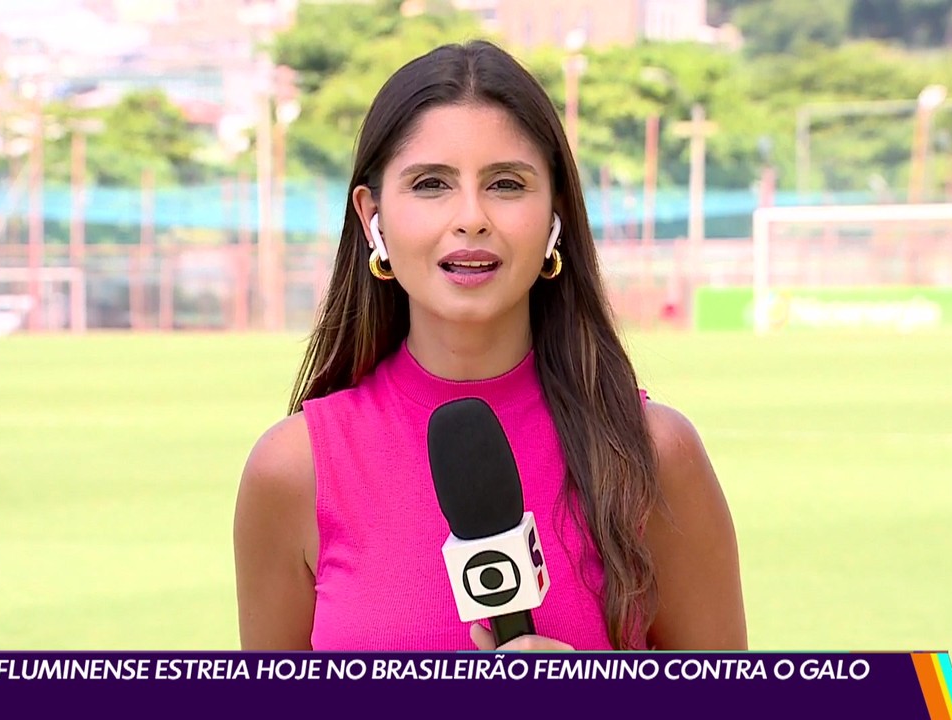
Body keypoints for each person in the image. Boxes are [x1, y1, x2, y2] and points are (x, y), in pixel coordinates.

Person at [233, 39, 746, 652]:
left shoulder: (655, 456)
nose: (471, 217)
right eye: (430, 184)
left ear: (555, 211)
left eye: (505, 183)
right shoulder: (294, 470)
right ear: (374, 218)